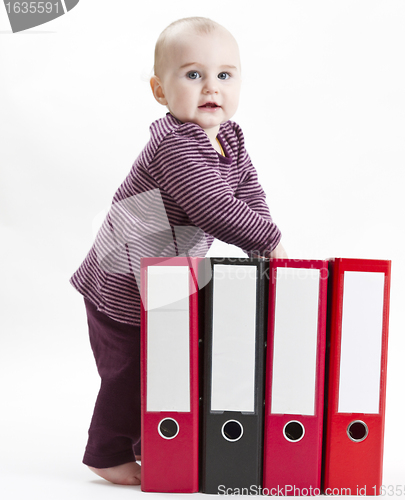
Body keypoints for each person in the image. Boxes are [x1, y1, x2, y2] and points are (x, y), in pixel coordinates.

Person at [70, 16, 287, 486]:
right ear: (160, 90)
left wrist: (266, 239)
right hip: (120, 285)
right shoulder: (175, 145)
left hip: (161, 279)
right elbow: (214, 207)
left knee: (167, 362)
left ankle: (156, 442)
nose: (212, 87)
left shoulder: (229, 137)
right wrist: (268, 241)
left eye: (225, 75)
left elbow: (248, 193)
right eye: (193, 75)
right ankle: (106, 452)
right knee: (130, 371)